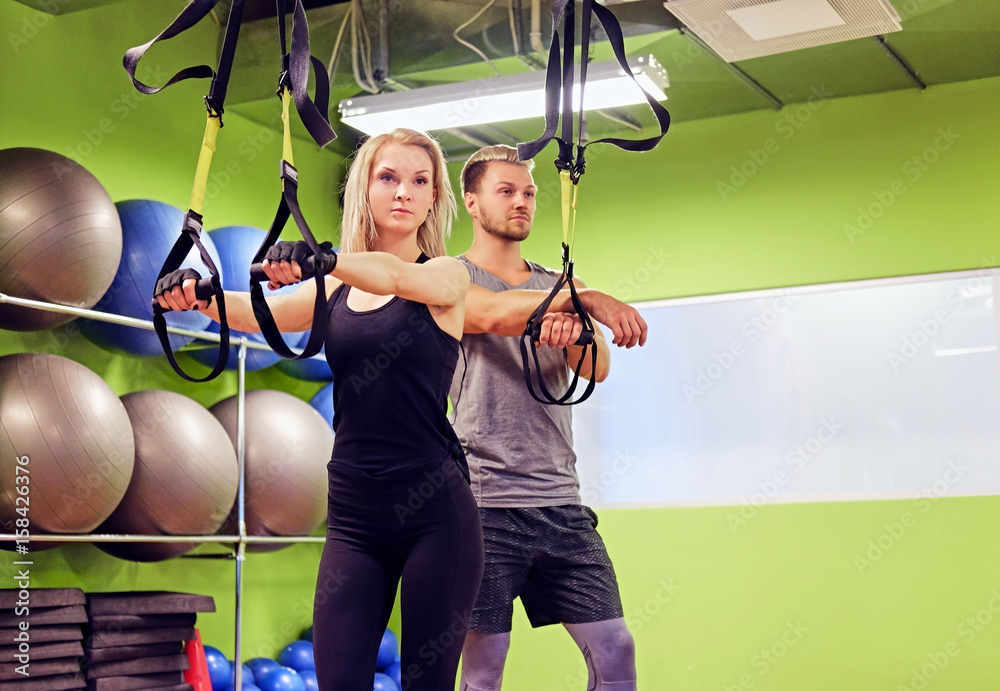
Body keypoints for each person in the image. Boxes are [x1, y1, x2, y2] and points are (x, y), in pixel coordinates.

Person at [155, 128, 484, 691]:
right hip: (355, 513)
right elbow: (258, 315)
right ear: (365, 189)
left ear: (434, 198)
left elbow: (396, 276)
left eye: (419, 181)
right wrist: (198, 296)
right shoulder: (334, 289)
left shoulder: (447, 275)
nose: (403, 192)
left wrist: (325, 259)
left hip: (435, 511)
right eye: (388, 177)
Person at [452, 145, 645, 691]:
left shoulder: (557, 284)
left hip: (560, 499)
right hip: (484, 503)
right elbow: (494, 314)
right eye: (506, 191)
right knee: (485, 667)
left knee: (615, 649)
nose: (522, 202)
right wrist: (573, 303)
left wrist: (576, 330)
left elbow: (596, 366)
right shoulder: (448, 278)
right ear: (472, 201)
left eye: (529, 193)